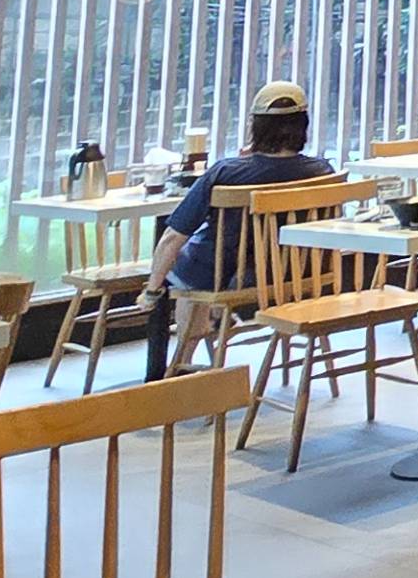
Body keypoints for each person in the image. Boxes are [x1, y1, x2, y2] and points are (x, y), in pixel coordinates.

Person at [143, 80, 338, 380]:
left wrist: (151, 291)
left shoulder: (226, 172)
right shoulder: (322, 171)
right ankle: (218, 317)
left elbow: (172, 237)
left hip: (230, 278)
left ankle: (185, 361)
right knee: (198, 267)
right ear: (303, 126)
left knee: (185, 267)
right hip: (297, 274)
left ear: (255, 127)